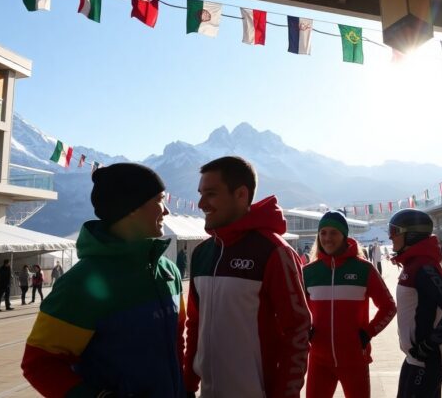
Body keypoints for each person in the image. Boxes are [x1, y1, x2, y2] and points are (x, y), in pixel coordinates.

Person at [22, 163, 185, 396]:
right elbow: (39, 364)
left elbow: (177, 339)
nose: (167, 210)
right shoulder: (79, 283)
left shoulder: (169, 272)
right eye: (160, 199)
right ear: (131, 207)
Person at [184, 156, 311, 397]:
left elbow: (298, 330)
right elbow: (195, 324)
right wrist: (188, 385)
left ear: (241, 194)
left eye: (210, 193)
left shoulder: (274, 251)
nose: (201, 203)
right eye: (200, 193)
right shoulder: (202, 253)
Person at [303, 211, 396, 398]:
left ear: (344, 236)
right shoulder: (308, 272)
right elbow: (296, 310)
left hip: (355, 360)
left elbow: (389, 307)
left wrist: (368, 333)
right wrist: (305, 331)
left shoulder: (363, 269)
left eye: (334, 233)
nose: (328, 238)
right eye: (323, 233)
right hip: (319, 360)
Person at [389, 209, 442, 398]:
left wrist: (428, 345)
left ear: (411, 235)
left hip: (430, 359)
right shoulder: (413, 263)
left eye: (395, 232)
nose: (391, 237)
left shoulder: (423, 266)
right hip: (416, 358)